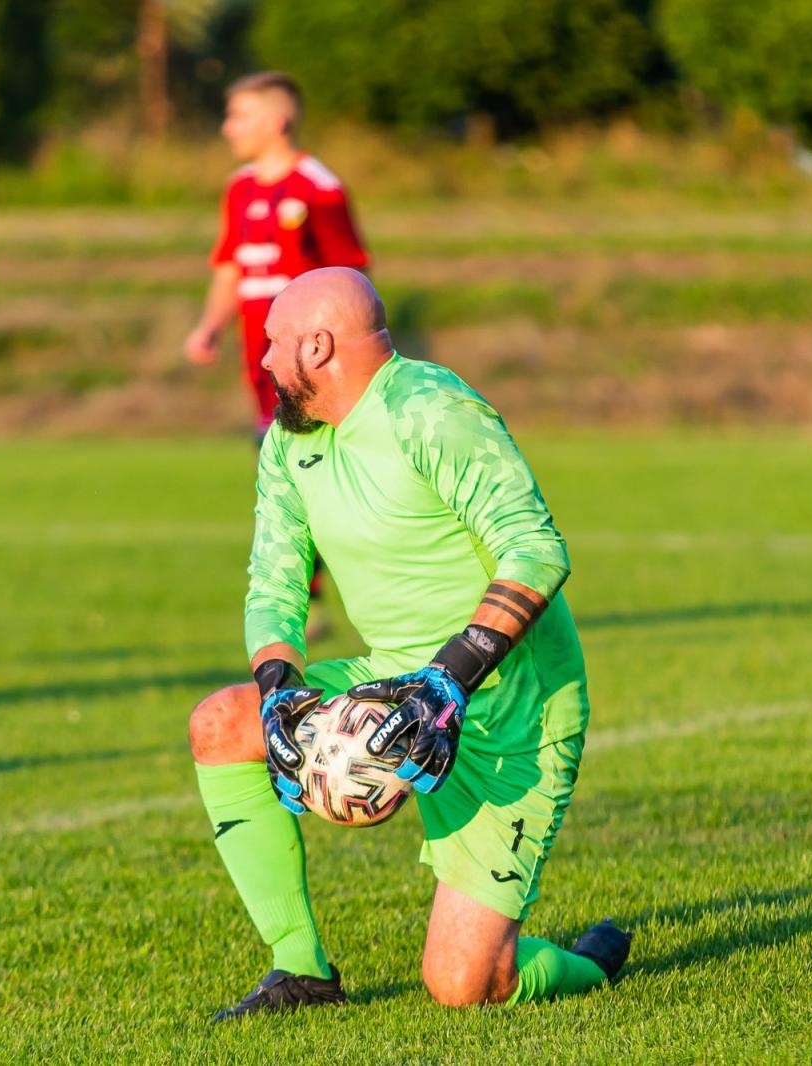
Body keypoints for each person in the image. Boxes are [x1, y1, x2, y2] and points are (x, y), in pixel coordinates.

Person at [188, 268, 629, 1020]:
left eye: (273, 344)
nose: (261, 362)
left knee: (463, 986)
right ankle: (302, 970)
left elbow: (536, 551)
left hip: (513, 704)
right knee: (221, 725)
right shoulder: (289, 444)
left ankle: (587, 965)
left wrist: (446, 685)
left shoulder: (430, 410)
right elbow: (274, 581)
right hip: (392, 676)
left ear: (318, 347)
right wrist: (278, 693)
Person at [185, 71, 368, 640]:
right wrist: (209, 325)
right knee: (281, 472)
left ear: (276, 120)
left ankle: (320, 596)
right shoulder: (239, 188)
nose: (226, 127)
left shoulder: (318, 187)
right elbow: (230, 268)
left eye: (238, 115)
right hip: (259, 368)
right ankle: (306, 596)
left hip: (312, 367)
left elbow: (351, 277)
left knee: (315, 473)